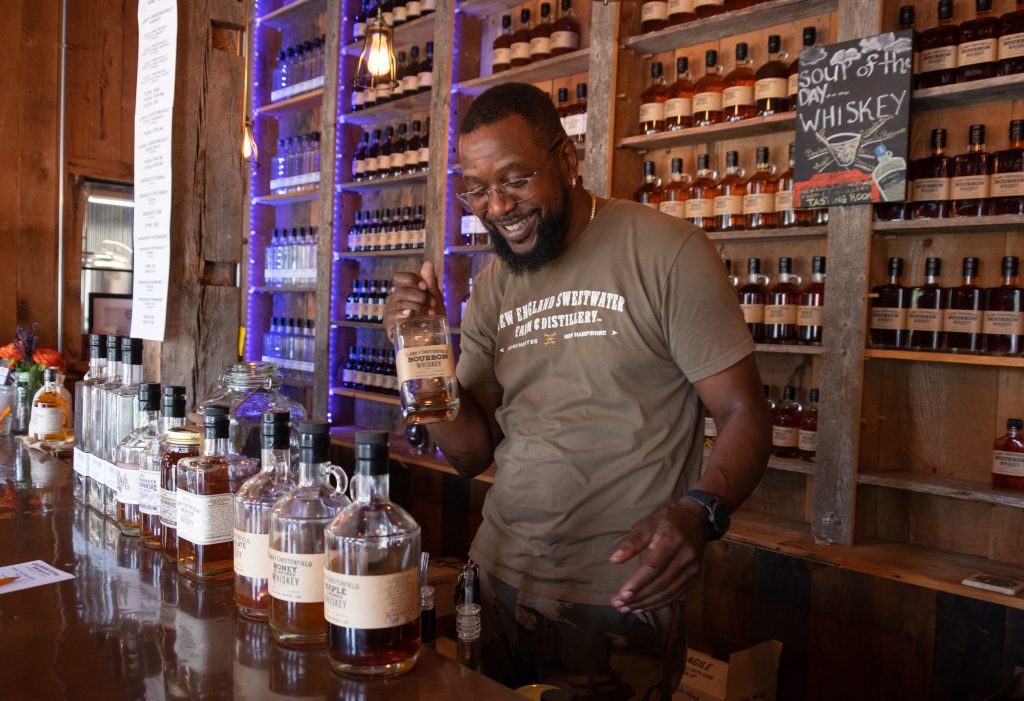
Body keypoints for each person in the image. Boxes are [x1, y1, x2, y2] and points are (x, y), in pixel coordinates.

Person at [384, 82, 771, 700]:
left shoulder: (669, 252)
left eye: (514, 179)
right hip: (496, 577)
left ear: (567, 161)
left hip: (617, 597)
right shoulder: (492, 288)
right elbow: (469, 454)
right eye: (478, 189)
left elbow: (745, 411)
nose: (498, 206)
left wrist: (700, 511)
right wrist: (417, 353)